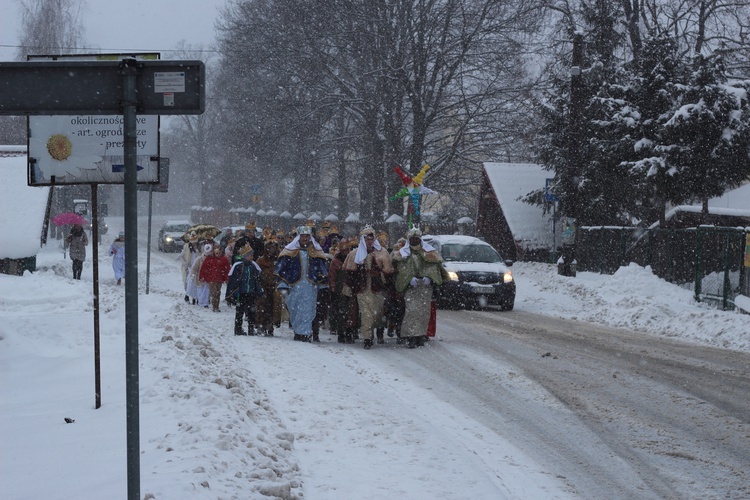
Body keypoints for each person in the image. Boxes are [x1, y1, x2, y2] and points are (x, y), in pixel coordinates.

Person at [392, 227, 446, 348]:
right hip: (410, 288)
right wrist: (408, 279)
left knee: (423, 312)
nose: (415, 241)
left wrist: (429, 277)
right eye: (412, 239)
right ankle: (411, 336)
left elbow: (433, 268)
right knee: (411, 311)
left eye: (417, 239)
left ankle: (420, 335)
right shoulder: (403, 253)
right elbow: (401, 270)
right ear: (409, 240)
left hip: (425, 288)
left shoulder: (428, 252)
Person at [343, 224, 394, 349]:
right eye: (366, 239)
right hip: (362, 289)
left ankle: (372, 332)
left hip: (377, 290)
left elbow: (388, 273)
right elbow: (349, 274)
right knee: (366, 314)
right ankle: (367, 338)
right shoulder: (355, 254)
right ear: (362, 239)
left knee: (376, 315)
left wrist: (377, 274)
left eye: (371, 238)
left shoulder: (382, 252)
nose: (369, 241)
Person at [275, 225, 329, 342]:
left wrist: (321, 279)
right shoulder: (290, 251)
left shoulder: (316, 251)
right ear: (299, 237)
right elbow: (282, 269)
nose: (305, 238)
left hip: (310, 286)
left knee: (308, 309)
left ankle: (305, 333)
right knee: (295, 308)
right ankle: (298, 331)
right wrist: (283, 284)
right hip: (295, 286)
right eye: (303, 236)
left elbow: (322, 267)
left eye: (307, 236)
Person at [226, 242, 264, 336]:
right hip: (241, 293)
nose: (252, 257)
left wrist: (258, 290)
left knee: (251, 312)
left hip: (251, 293)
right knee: (239, 312)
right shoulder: (238, 266)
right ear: (245, 256)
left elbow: (257, 280)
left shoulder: (253, 266)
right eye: (250, 255)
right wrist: (234, 293)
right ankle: (238, 329)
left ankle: (251, 329)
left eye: (252, 255)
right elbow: (234, 281)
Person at [329, 236, 357, 343]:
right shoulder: (335, 261)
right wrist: (333, 288)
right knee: (342, 312)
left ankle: (350, 332)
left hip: (351, 288)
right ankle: (341, 332)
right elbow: (332, 276)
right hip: (340, 290)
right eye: (343, 249)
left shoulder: (353, 258)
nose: (345, 251)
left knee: (352, 312)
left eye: (347, 249)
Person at [255, 239, 281, 336]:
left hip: (274, 286)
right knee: (262, 306)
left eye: (273, 248)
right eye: (269, 248)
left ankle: (270, 325)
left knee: (273, 307)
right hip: (263, 285)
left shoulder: (278, 260)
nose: (271, 251)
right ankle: (261, 325)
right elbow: (257, 274)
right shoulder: (261, 260)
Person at [199, 243, 231, 312]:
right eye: (216, 253)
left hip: (219, 279)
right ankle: (214, 306)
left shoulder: (224, 259)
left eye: (219, 253)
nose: (218, 255)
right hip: (211, 279)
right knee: (214, 293)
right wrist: (202, 276)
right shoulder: (209, 259)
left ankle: (217, 305)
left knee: (218, 292)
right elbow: (204, 268)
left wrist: (226, 278)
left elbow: (227, 270)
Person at [189, 242, 213, 308]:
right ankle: (200, 301)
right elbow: (194, 268)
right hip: (200, 278)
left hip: (208, 278)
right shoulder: (199, 259)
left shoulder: (212, 259)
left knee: (207, 291)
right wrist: (192, 274)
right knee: (200, 290)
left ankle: (205, 303)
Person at [180, 231, 201, 302]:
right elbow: (181, 256)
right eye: (193, 242)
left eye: (195, 243)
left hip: (196, 268)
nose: (194, 244)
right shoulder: (187, 246)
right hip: (188, 267)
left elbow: (201, 256)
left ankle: (195, 297)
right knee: (188, 281)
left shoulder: (200, 247)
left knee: (195, 283)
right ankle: (187, 294)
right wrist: (185, 264)